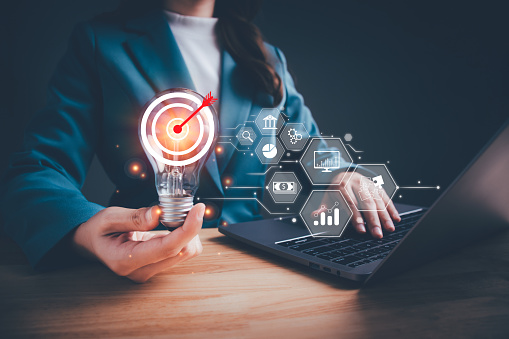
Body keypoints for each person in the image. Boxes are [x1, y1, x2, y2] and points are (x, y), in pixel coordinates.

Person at [0, 0, 400, 283]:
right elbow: (34, 173)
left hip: (256, 272)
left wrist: (343, 175)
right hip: (148, 269)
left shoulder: (265, 58)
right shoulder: (98, 44)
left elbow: (310, 147)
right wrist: (86, 232)